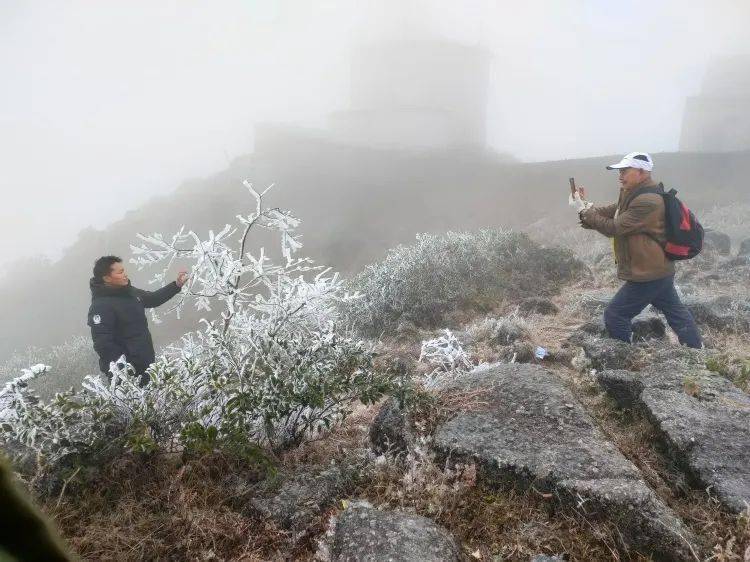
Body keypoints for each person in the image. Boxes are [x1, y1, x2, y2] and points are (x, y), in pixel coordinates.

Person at [578, 152, 702, 348]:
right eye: (619, 171)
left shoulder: (647, 201)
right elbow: (607, 213)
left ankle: (624, 359)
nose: (620, 175)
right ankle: (697, 351)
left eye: (625, 171)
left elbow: (615, 227)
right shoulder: (632, 193)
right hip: (658, 270)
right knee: (676, 313)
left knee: (615, 314)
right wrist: (583, 207)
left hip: (648, 273)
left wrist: (588, 214)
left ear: (643, 172)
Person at [88, 256, 188, 385]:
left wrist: (176, 285)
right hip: (126, 377)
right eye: (120, 272)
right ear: (106, 278)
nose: (125, 274)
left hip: (147, 366)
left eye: (123, 270)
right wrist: (125, 370)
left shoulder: (130, 293)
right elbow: (103, 344)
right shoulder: (100, 306)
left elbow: (153, 298)